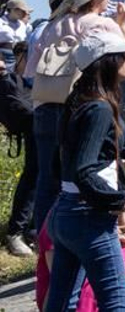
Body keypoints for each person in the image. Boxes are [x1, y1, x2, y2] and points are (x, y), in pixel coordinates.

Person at [42, 32, 125, 312]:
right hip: (88, 217)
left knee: (62, 304)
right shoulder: (99, 109)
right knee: (117, 303)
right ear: (105, 62)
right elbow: (84, 170)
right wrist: (119, 200)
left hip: (65, 213)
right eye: (122, 55)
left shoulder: (79, 102)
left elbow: (59, 166)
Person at [27, 0, 125, 234]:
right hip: (81, 108)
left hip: (44, 104)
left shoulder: (53, 25)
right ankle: (75, 234)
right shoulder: (102, 25)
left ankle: (44, 240)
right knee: (80, 174)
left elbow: (31, 70)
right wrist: (123, 24)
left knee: (47, 178)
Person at [0, 39, 37, 256]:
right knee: (34, 174)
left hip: (45, 114)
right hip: (38, 118)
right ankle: (16, 231)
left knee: (43, 175)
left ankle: (33, 228)